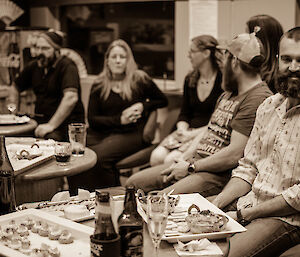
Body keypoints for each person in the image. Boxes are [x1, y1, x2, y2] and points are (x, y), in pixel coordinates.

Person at [126, 30, 273, 196]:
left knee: (161, 200)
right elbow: (209, 130)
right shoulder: (229, 93)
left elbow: (234, 155)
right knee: (133, 184)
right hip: (196, 163)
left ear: (234, 63)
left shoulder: (257, 98)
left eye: (225, 56)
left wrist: (191, 167)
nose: (222, 62)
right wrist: (185, 159)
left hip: (216, 174)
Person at [210, 26, 300, 257]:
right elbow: (248, 168)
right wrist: (217, 204)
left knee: (225, 254)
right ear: (278, 60)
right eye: (287, 59)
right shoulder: (269, 106)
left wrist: (244, 215)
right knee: (182, 221)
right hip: (250, 202)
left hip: (288, 218)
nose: (294, 68)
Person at [68, 39, 168, 192]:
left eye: (122, 57)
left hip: (132, 133)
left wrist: (143, 105)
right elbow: (93, 120)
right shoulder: (99, 83)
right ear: (107, 60)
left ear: (128, 60)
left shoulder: (139, 80)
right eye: (114, 57)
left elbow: (162, 100)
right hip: (103, 132)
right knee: (76, 155)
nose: (118, 61)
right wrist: (120, 120)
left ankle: (108, 198)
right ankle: (78, 199)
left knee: (97, 158)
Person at [150, 35, 223, 166]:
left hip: (208, 133)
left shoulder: (223, 81)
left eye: (192, 52)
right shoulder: (190, 79)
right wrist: (181, 129)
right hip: (187, 130)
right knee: (156, 157)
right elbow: (185, 113)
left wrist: (192, 134)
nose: (189, 56)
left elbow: (220, 121)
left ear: (206, 53)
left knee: (170, 160)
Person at [10, 29, 84, 141]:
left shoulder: (68, 66)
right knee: (11, 139)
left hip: (65, 126)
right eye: (37, 47)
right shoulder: (34, 66)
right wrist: (13, 113)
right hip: (40, 123)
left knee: (50, 142)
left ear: (57, 50)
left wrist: (51, 125)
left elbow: (71, 98)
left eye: (45, 48)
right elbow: (14, 87)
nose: (39, 52)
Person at [246, 14, 283, 93]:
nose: (245, 41)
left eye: (248, 36)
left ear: (260, 40)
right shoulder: (251, 67)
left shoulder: (277, 77)